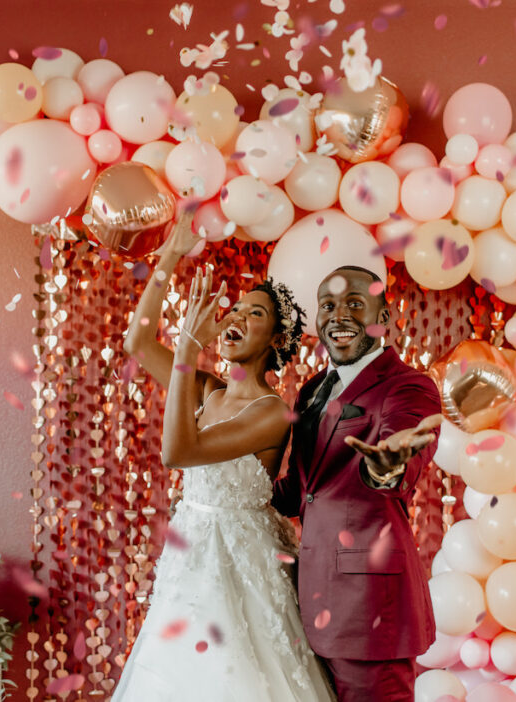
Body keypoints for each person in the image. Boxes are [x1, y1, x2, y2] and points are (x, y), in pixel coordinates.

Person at [113, 209, 335, 702]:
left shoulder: (271, 411)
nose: (235, 316)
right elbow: (138, 342)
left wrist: (189, 355)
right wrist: (171, 253)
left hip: (240, 563)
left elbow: (178, 451)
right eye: (235, 308)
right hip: (190, 557)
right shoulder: (209, 391)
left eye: (254, 314)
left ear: (276, 340)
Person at [272, 266, 443, 702]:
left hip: (369, 606)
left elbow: (399, 463)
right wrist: (222, 494)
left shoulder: (408, 387)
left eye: (354, 303)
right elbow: (302, 487)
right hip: (311, 595)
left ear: (383, 317)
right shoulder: (312, 390)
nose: (338, 315)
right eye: (328, 306)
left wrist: (387, 465)